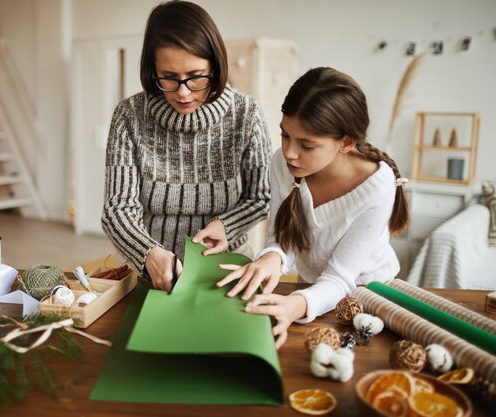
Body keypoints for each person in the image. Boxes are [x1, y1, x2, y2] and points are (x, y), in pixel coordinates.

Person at [217, 67, 410, 348]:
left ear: (345, 142)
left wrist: (294, 306)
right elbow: (286, 236)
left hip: (371, 297)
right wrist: (272, 257)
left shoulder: (377, 187)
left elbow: (340, 277)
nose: (289, 152)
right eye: (285, 136)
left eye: (306, 145)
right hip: (314, 293)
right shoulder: (283, 165)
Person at [101, 1, 272, 292]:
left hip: (229, 269)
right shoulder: (129, 116)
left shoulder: (247, 115)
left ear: (215, 67)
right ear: (152, 69)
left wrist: (226, 226)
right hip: (149, 271)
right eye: (168, 77)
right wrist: (147, 253)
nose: (182, 92)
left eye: (195, 77)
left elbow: (261, 196)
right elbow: (118, 208)